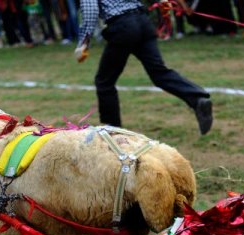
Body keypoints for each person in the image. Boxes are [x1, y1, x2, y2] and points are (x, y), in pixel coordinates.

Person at [74, 0, 213, 135]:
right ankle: (198, 99)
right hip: (143, 22)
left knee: (104, 82)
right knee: (159, 72)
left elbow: (90, 10)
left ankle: (115, 132)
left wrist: (84, 42)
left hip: (122, 26)